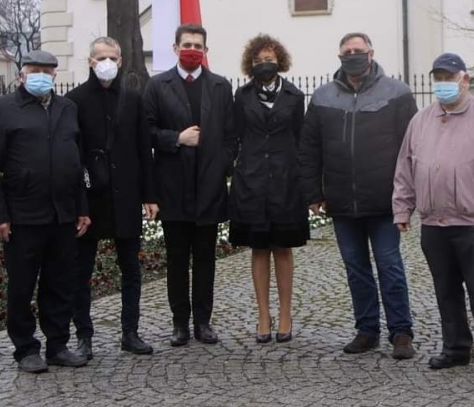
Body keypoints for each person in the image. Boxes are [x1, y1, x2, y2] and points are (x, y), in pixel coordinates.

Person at [392, 53, 474, 379]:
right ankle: (455, 348)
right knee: (445, 289)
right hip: (434, 221)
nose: (443, 84)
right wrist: (402, 207)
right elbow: (405, 168)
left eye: (449, 78)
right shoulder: (420, 120)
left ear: (464, 79)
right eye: (438, 78)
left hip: (473, 221)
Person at [299, 32, 417, 359]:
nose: (353, 55)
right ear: (340, 57)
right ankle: (367, 330)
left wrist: (408, 196)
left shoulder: (397, 93)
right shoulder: (322, 96)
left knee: (390, 266)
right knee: (356, 269)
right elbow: (309, 148)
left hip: (384, 200)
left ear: (371, 53)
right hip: (341, 202)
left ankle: (401, 332)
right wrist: (313, 193)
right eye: (347, 51)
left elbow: (411, 147)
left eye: (358, 50)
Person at [0, 50, 91, 373]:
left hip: (62, 213)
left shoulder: (67, 108)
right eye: (34, 69)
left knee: (60, 283)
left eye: (46, 70)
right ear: (22, 74)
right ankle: (26, 348)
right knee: (22, 285)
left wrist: (81, 207)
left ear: (55, 75)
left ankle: (58, 344)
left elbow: (76, 161)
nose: (41, 75)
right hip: (23, 215)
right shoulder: (4, 109)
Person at [143, 23, 236, 347]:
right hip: (173, 187)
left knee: (206, 260)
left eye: (198, 45)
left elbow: (231, 136)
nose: (192, 50)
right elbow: (146, 132)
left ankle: (203, 322)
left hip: (209, 187)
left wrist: (221, 164)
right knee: (177, 260)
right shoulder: (157, 86)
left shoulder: (220, 86)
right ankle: (180, 323)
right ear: (175, 48)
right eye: (187, 44)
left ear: (206, 50)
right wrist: (176, 138)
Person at [66, 37, 158, 358]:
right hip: (91, 197)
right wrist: (78, 202)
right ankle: (84, 336)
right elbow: (72, 155)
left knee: (130, 269)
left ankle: (130, 332)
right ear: (90, 61)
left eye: (112, 57)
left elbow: (144, 151)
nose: (106, 62)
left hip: (126, 194)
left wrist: (150, 195)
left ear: (120, 61)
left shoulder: (133, 99)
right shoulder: (74, 100)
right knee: (82, 271)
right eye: (100, 57)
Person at [229, 34, 309, 343]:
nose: (264, 64)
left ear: (280, 61)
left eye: (269, 59)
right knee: (259, 248)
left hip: (286, 181)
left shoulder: (294, 96)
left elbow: (300, 139)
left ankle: (285, 314)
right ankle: (264, 315)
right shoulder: (241, 96)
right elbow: (237, 136)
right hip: (252, 181)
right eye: (258, 60)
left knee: (283, 248)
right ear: (250, 64)